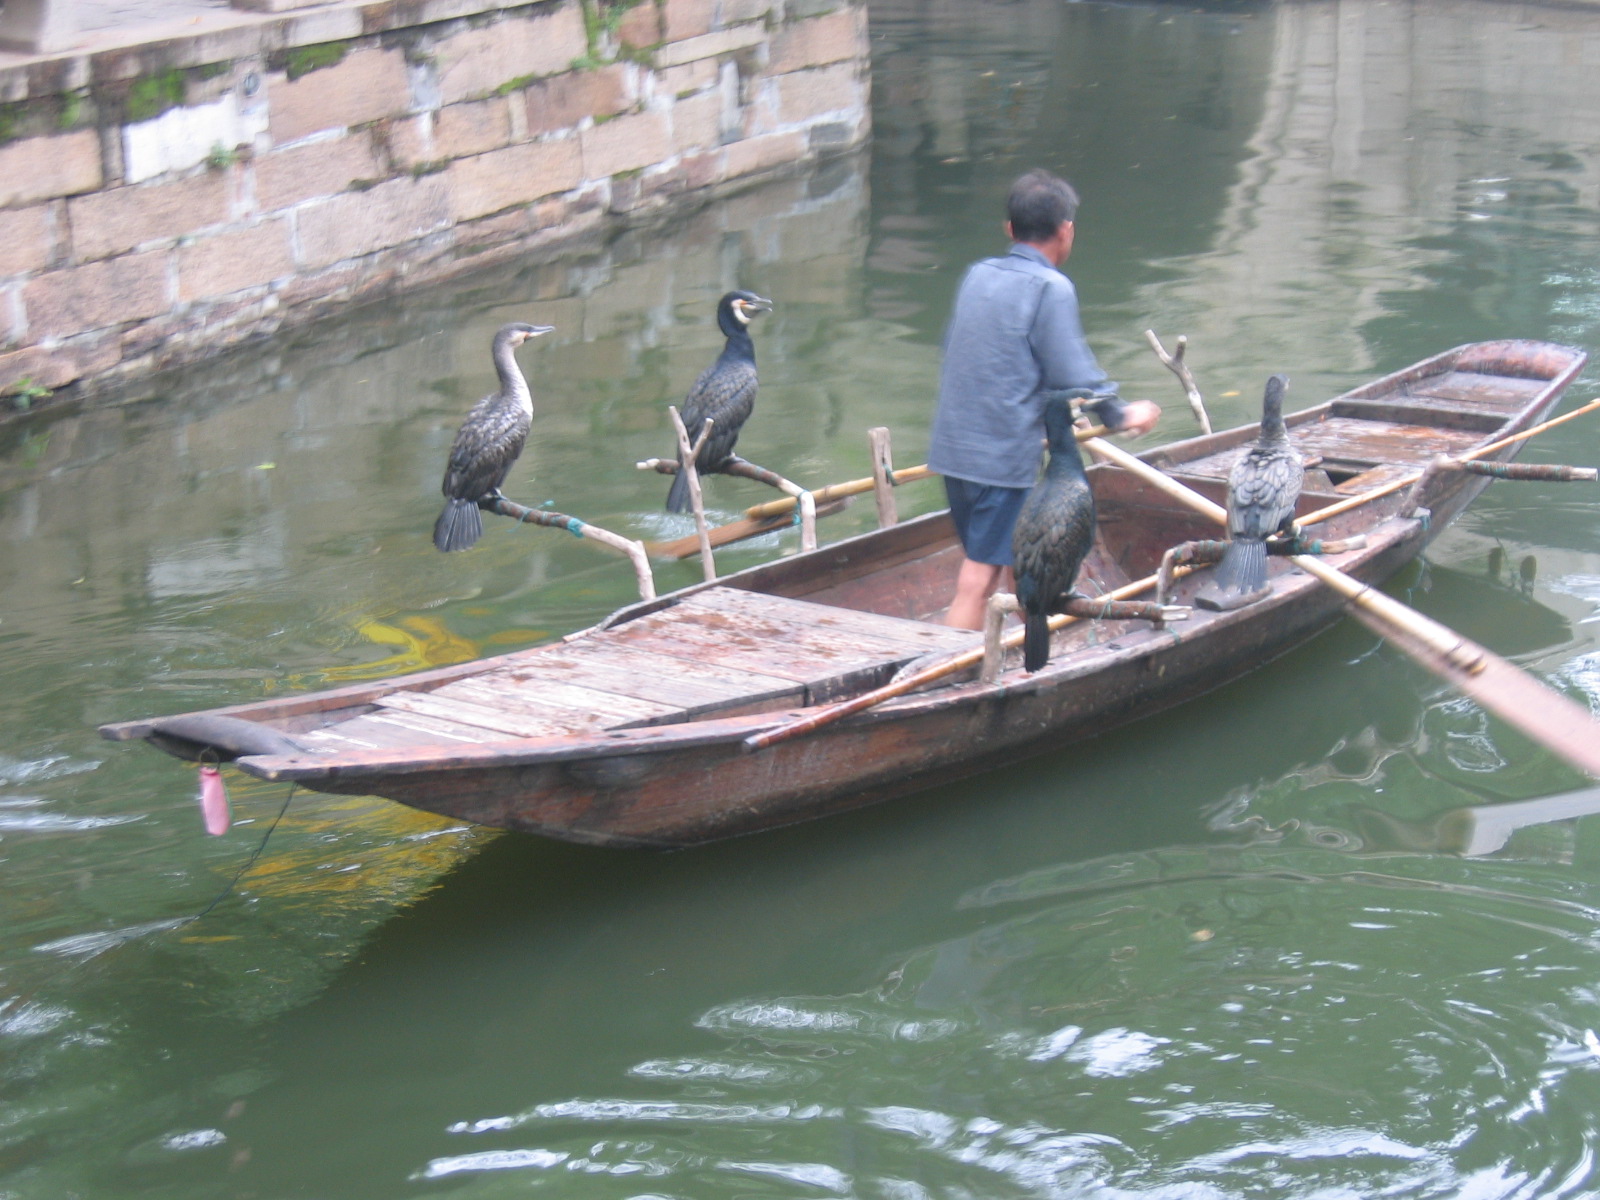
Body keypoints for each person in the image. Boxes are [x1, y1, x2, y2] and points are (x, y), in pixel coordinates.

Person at [929, 169, 1161, 629]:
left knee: (1018, 556)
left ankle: (1023, 644)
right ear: (1066, 230)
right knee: (979, 575)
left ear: (1010, 230)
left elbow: (984, 356)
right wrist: (1119, 412)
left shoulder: (979, 274)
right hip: (999, 458)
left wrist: (1050, 411)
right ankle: (940, 674)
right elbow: (1072, 369)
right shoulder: (1050, 288)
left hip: (954, 448)